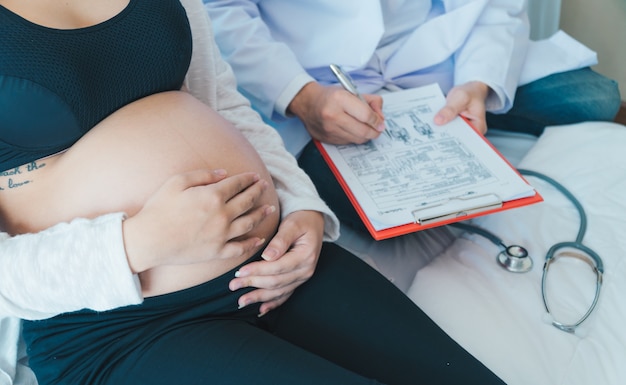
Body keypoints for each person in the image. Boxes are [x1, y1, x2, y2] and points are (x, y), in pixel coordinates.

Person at [0, 0, 506, 384]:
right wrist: (139, 243)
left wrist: (302, 203)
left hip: (272, 269)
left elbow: (223, 105)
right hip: (120, 326)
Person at [204, 0, 622, 235]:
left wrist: (479, 84)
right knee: (384, 213)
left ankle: (469, 114)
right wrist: (301, 97)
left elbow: (495, 4)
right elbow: (219, 11)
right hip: (319, 77)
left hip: (437, 57)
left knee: (597, 98)